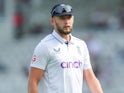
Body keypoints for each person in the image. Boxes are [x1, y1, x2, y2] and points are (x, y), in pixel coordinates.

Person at [28, 3, 104, 93]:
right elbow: (33, 81)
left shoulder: (81, 45)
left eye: (69, 17)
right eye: (62, 18)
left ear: (73, 19)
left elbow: (90, 78)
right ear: (52, 21)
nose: (66, 21)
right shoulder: (45, 46)